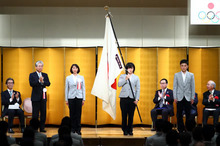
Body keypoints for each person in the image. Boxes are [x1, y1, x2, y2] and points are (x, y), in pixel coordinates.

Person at [118, 62, 140, 136]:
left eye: (131, 68)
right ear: (126, 69)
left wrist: (137, 99)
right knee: (124, 115)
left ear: (133, 69)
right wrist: (125, 79)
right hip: (123, 98)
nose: (130, 69)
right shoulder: (122, 76)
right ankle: (124, 129)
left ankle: (130, 129)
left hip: (132, 98)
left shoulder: (136, 77)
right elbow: (119, 84)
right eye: (128, 68)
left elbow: (138, 89)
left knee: (131, 115)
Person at [173, 59, 195, 132]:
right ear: (180, 66)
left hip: (188, 97)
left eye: (185, 66)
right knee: (179, 114)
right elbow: (175, 87)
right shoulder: (176, 75)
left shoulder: (191, 75)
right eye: (182, 66)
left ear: (187, 66)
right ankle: (180, 128)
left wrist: (192, 97)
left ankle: (188, 129)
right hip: (179, 97)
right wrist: (175, 97)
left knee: (188, 114)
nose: (183, 67)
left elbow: (192, 86)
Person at [29, 61, 50, 132]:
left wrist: (43, 81)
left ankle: (42, 127)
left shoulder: (45, 74)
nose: (40, 67)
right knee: (35, 114)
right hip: (35, 97)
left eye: (41, 66)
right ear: (36, 67)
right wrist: (38, 80)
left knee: (43, 113)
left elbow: (48, 83)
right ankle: (34, 128)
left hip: (43, 97)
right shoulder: (32, 75)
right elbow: (31, 84)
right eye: (39, 66)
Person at [65, 64, 85, 135]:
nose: (75, 69)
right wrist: (66, 99)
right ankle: (72, 128)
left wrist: (83, 98)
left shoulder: (81, 77)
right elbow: (66, 89)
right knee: (72, 113)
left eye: (76, 68)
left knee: (78, 114)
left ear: (78, 69)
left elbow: (83, 88)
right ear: (71, 69)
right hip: (71, 97)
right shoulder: (68, 78)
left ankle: (78, 129)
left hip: (79, 97)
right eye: (73, 68)